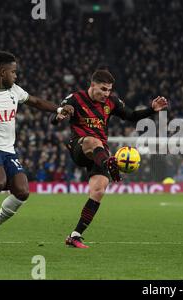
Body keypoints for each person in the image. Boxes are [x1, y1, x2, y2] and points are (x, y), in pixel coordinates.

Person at [0, 51, 74, 251]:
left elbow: (35, 102)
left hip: (8, 150)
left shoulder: (14, 90)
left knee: (23, 192)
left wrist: (58, 109)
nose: (16, 76)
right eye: (13, 72)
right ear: (0, 71)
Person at [53, 69, 168, 248]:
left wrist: (151, 110)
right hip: (80, 147)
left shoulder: (111, 102)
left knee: (98, 191)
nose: (106, 94)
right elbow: (56, 117)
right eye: (103, 89)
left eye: (109, 90)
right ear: (92, 85)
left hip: (101, 152)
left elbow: (130, 116)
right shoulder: (75, 99)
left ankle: (74, 236)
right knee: (93, 140)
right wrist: (60, 116)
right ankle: (109, 163)